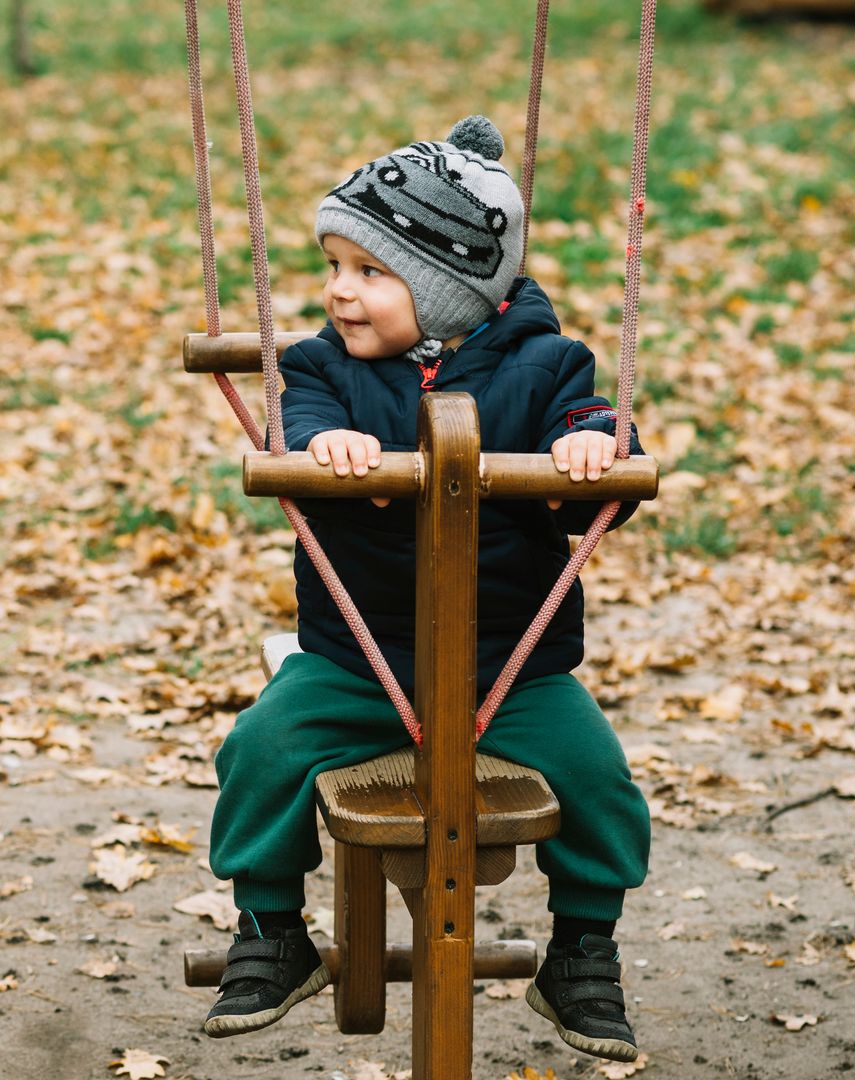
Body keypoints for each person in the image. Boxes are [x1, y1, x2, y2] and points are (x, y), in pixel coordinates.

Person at [200, 116, 650, 1063]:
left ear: (449, 290)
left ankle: (581, 954)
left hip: (507, 675)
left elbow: (597, 429)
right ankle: (272, 929)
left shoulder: (545, 366)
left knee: (603, 782)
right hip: (358, 665)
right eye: (333, 266)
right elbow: (299, 418)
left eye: (369, 272)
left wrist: (593, 446)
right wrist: (326, 445)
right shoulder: (323, 368)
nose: (338, 292)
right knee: (259, 749)